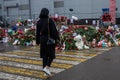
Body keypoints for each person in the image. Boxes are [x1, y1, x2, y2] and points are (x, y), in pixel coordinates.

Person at [36, 8, 60, 76]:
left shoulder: (39, 21)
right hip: (50, 40)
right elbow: (54, 31)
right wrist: (57, 38)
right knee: (52, 55)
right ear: (47, 13)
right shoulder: (50, 20)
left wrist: (37, 42)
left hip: (42, 40)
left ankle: (45, 71)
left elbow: (37, 33)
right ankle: (47, 68)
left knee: (44, 56)